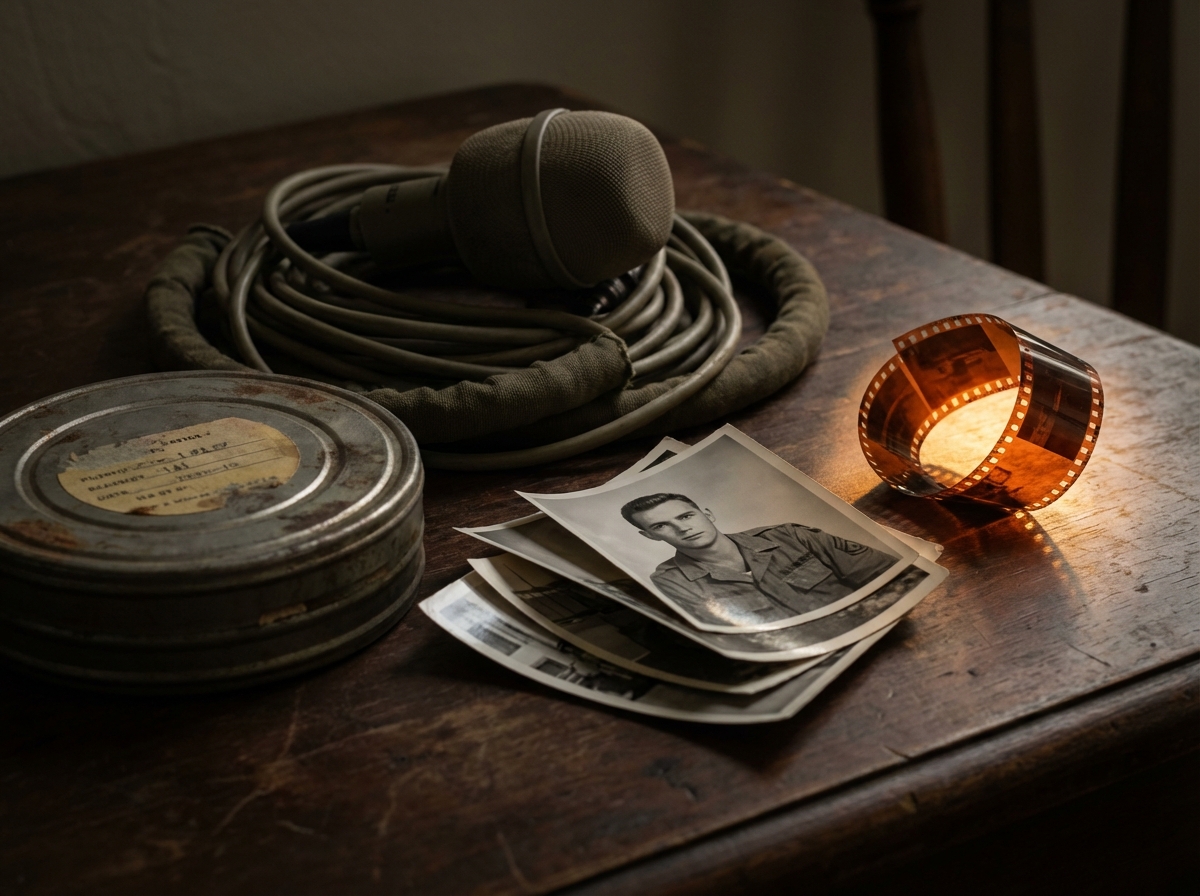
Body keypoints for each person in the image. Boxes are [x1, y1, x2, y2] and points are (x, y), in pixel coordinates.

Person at [620, 492, 898, 627]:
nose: (682, 528)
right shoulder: (672, 581)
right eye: (661, 526)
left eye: (686, 516)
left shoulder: (790, 536)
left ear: (707, 513)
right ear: (649, 537)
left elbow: (891, 579)